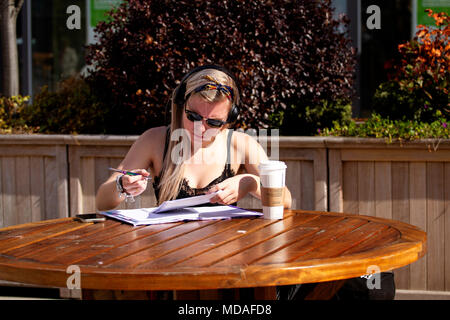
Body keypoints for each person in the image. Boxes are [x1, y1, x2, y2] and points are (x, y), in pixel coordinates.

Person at [96, 65, 292, 211]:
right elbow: (102, 202)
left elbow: (285, 200)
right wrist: (122, 186)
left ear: (228, 120)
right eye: (193, 116)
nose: (201, 127)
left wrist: (251, 182)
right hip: (171, 255)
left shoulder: (240, 145)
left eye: (213, 122)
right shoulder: (154, 141)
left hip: (223, 255)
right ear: (182, 106)